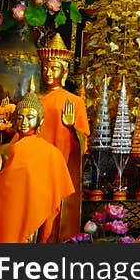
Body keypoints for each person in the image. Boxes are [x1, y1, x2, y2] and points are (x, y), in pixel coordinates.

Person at [0, 80, 74, 243]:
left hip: (32, 214)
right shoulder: (3, 151)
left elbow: (53, 192)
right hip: (5, 212)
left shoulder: (51, 153)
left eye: (30, 117)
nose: (24, 122)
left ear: (41, 121)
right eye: (20, 117)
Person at [37, 33, 89, 242]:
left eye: (54, 68)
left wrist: (71, 127)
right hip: (34, 162)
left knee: (54, 208)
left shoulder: (74, 102)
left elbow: (84, 141)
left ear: (65, 71)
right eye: (46, 67)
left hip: (60, 162)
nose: (48, 72)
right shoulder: (33, 99)